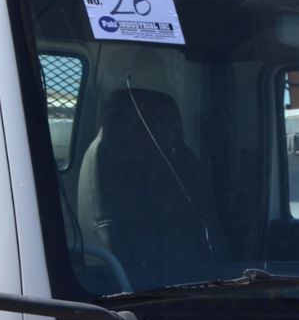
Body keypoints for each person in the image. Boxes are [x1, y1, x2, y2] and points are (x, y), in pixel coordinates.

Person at [79, 84, 216, 290]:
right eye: (155, 122)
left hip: (208, 286)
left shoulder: (182, 162)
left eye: (168, 123)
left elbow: (208, 230)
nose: (166, 131)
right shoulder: (105, 161)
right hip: (144, 294)